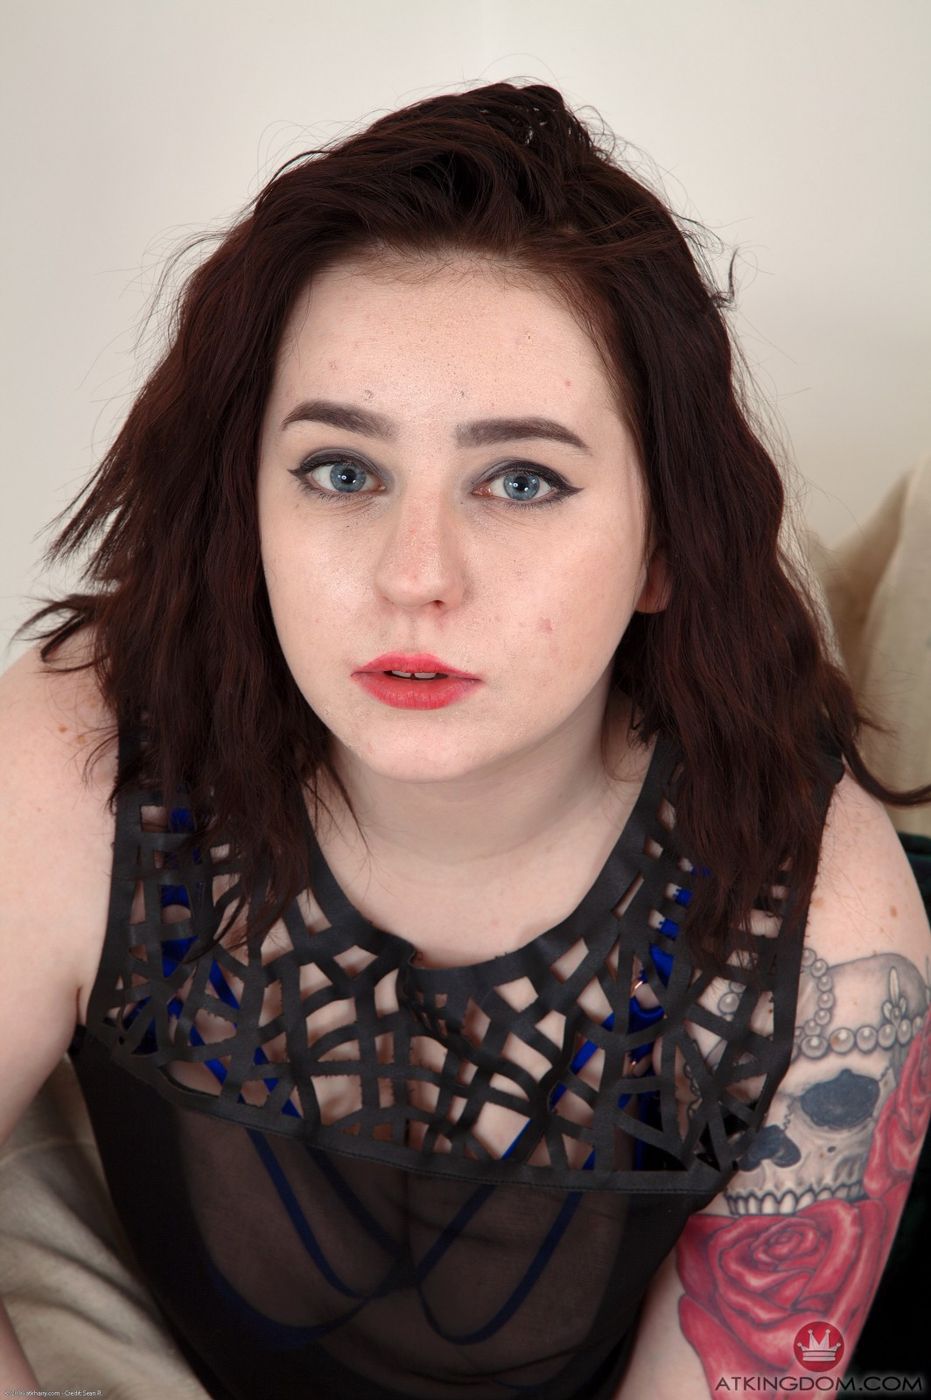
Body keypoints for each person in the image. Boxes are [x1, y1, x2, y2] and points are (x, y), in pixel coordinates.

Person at [1, 80, 929, 1399]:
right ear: (245, 507)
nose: (416, 576)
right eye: (342, 471)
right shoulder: (83, 753)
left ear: (666, 543)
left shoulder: (831, 932)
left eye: (522, 480)